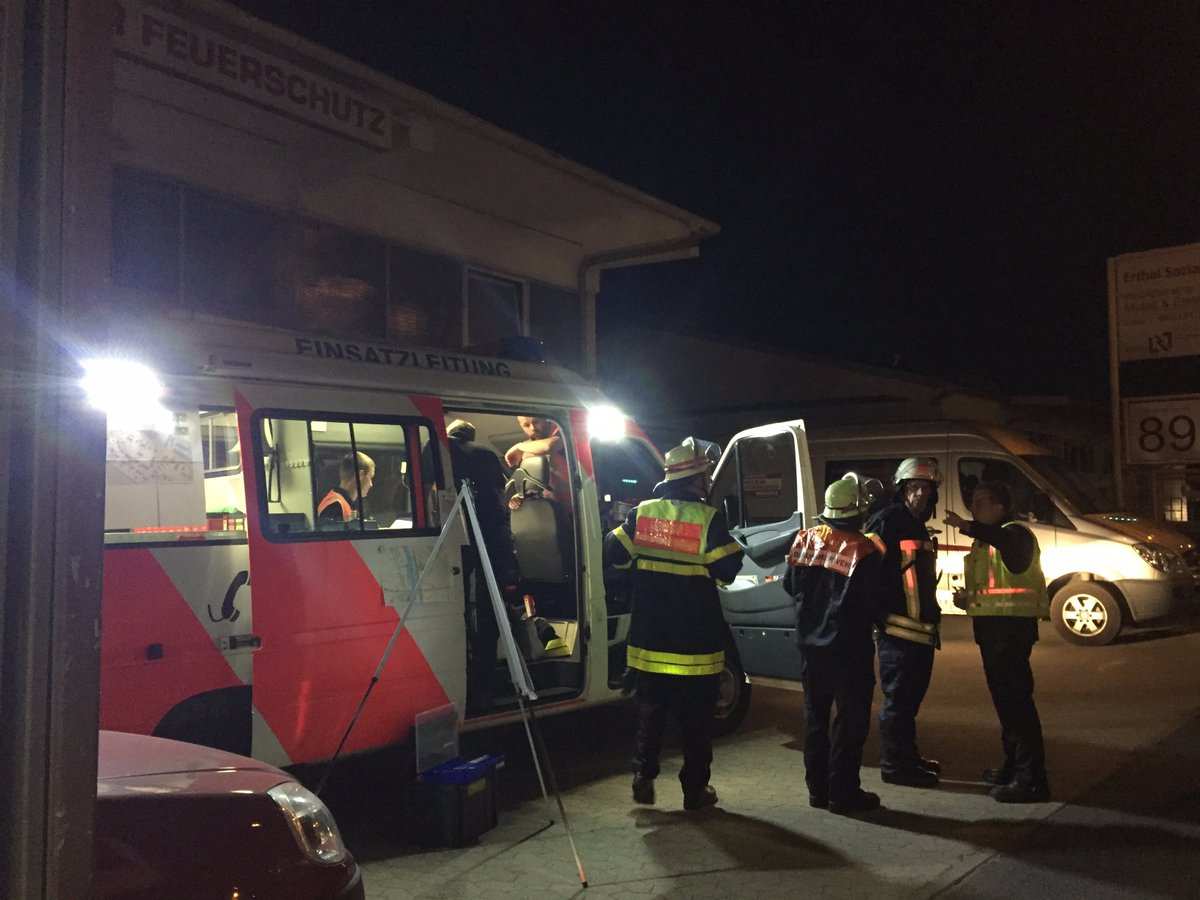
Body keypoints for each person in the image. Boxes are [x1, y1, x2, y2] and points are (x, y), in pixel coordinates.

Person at [604, 437, 743, 811]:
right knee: (696, 723)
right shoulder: (708, 519)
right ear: (695, 479)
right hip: (695, 644)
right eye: (705, 477)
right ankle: (694, 791)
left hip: (650, 640)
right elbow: (728, 569)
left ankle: (643, 776)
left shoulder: (643, 514)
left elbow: (613, 553)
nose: (707, 483)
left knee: (651, 712)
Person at [783, 475, 887, 815]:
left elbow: (789, 586)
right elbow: (874, 601)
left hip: (810, 648)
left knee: (815, 717)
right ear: (858, 510)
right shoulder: (864, 549)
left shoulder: (804, 539)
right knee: (850, 720)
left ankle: (818, 790)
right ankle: (843, 793)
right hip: (849, 649)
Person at [944, 481, 1051, 803]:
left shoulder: (1015, 534)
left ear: (1001, 507)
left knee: (1017, 706)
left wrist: (966, 526)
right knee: (1006, 706)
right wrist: (968, 600)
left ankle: (1031, 781)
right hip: (993, 633)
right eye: (973, 501)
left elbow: (1007, 547)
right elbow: (994, 588)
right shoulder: (988, 540)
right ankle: (1013, 767)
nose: (973, 507)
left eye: (981, 501)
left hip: (1011, 634)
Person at [864, 457, 942, 788]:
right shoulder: (887, 521)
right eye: (914, 487)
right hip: (897, 631)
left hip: (920, 631)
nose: (920, 494)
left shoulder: (915, 524)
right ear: (902, 489)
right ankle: (895, 766)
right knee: (898, 702)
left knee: (909, 703)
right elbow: (867, 571)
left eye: (926, 488)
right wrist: (879, 614)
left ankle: (908, 757)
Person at [505, 416, 570, 507]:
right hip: (552, 506)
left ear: (545, 418)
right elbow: (531, 483)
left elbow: (549, 446)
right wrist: (519, 497)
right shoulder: (527, 449)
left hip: (579, 500)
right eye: (526, 425)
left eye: (536, 422)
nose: (532, 428)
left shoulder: (562, 429)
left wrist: (519, 447)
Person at [317, 451, 375, 522]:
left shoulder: (340, 503)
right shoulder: (335, 506)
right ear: (360, 475)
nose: (371, 484)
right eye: (370, 477)